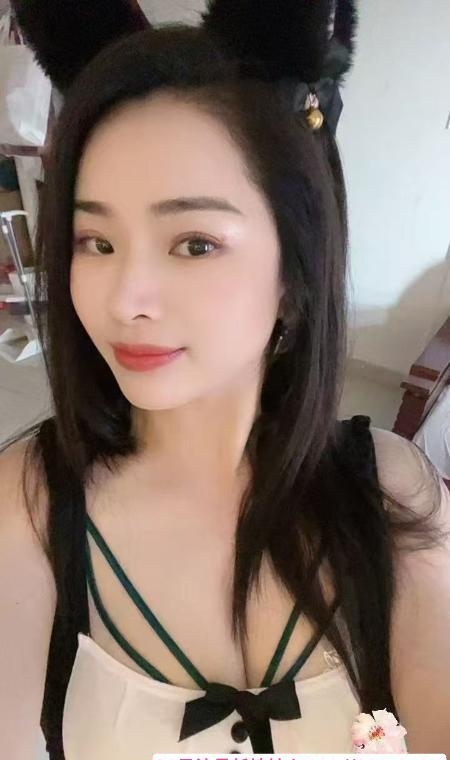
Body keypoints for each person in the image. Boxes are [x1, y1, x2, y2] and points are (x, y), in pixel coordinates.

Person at [1, 1, 450, 758]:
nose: (125, 299)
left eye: (195, 243)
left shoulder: (390, 494)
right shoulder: (28, 507)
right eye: (95, 240)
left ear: (295, 272)